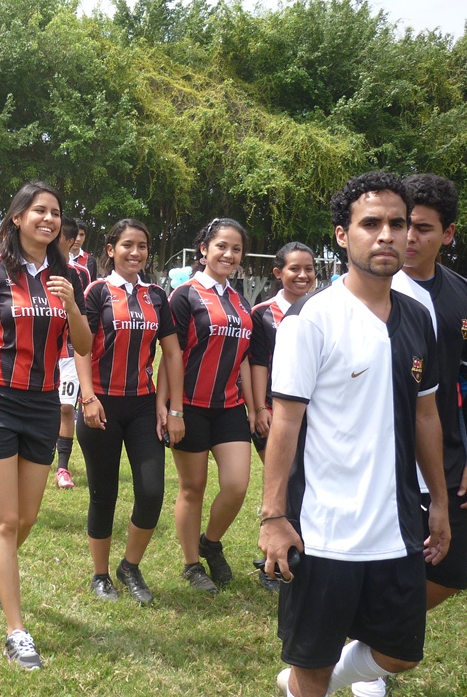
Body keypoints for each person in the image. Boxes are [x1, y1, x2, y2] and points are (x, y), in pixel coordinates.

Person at [258, 171, 450, 697]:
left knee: (401, 654)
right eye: (371, 224)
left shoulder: (418, 317)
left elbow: (427, 415)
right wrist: (273, 516)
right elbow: (286, 421)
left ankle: (310, 682)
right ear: (343, 236)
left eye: (397, 223)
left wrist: (437, 501)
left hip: (396, 524)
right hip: (325, 529)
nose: (387, 235)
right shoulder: (311, 318)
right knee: (312, 665)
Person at [346, 174, 467, 697]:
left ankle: (354, 657)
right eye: (404, 224)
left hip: (443, 454)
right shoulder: (372, 289)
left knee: (447, 575)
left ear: (447, 234)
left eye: (423, 229)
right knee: (384, 564)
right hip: (381, 455)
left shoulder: (465, 296)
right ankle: (368, 668)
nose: (407, 238)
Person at [0, 181, 91, 671]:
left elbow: (84, 345)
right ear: (17, 218)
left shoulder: (68, 275)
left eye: (55, 212)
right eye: (39, 210)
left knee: (27, 519)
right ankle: (16, 632)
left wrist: (72, 305)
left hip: (43, 404)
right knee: (5, 521)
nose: (48, 219)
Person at [75, 218, 185, 604]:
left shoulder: (157, 296)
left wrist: (174, 409)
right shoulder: (96, 291)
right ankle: (100, 575)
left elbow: (172, 353)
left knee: (152, 492)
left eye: (142, 246)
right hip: (101, 404)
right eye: (127, 245)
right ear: (111, 250)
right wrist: (88, 398)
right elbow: (82, 347)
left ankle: (130, 566)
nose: (135, 252)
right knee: (103, 494)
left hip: (142, 405)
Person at [161, 218, 255, 594]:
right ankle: (191, 565)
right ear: (204, 249)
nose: (229, 254)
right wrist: (173, 410)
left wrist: (254, 407)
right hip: (190, 406)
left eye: (236, 249)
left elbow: (243, 357)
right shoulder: (184, 295)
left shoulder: (240, 300)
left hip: (230, 406)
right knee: (193, 487)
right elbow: (171, 356)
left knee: (236, 485)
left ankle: (210, 543)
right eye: (221, 246)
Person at [248, 242, 316, 592]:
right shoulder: (263, 313)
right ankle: (271, 564)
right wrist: (261, 408)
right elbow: (257, 364)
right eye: (294, 269)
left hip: (313, 417)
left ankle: (301, 555)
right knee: (283, 487)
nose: (303, 275)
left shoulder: (322, 310)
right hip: (275, 416)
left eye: (309, 269)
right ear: (278, 273)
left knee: (305, 487)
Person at [53, 216, 91, 489]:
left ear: (68, 241)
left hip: (68, 350)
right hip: (41, 353)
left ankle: (62, 467)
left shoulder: (80, 274)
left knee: (66, 407)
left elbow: (83, 317)